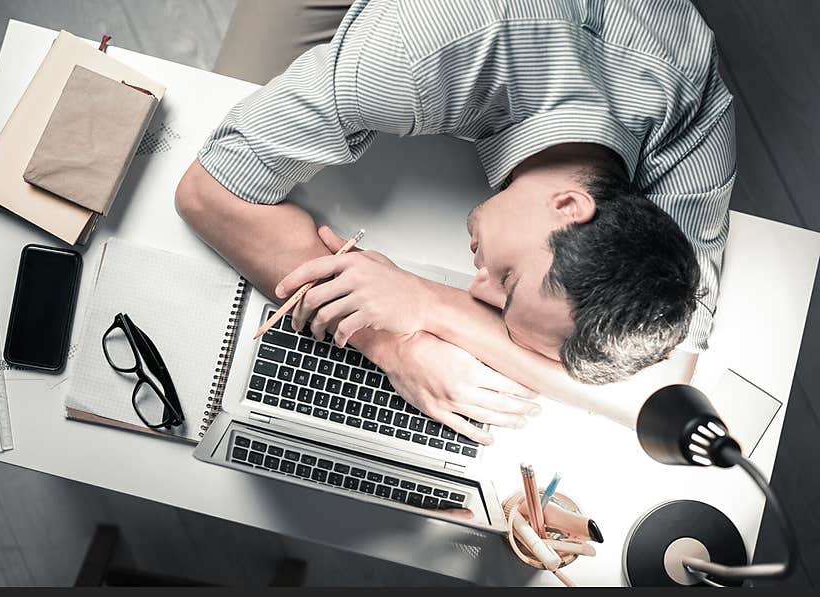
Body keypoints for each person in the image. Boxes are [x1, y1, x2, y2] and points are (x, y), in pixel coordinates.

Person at [175, 0, 735, 443]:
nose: (474, 286)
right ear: (568, 207)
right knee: (220, 96)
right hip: (439, 28)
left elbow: (661, 386)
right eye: (507, 279)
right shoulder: (414, 54)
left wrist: (428, 304)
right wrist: (391, 342)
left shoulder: (696, 112)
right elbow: (209, 192)